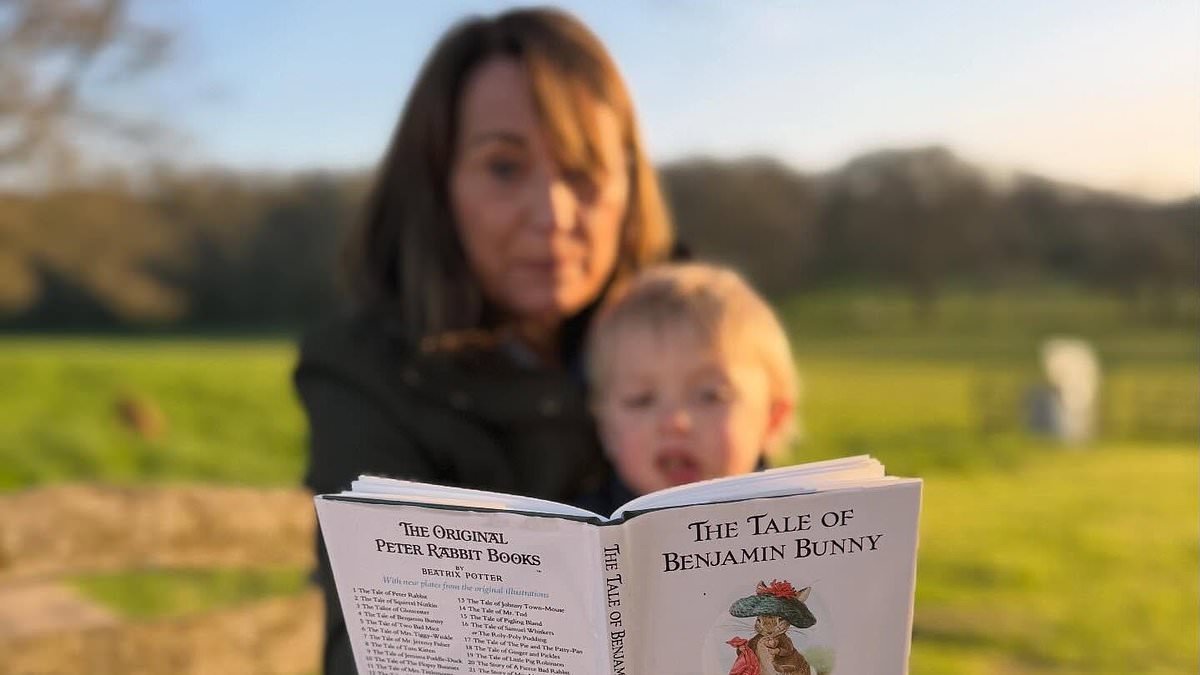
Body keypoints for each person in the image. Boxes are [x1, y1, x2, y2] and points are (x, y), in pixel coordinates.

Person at [293, 8, 673, 674]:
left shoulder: (694, 335)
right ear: (437, 187)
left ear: (630, 187)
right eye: (504, 167)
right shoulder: (363, 371)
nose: (552, 215)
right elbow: (366, 645)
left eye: (584, 171)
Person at [580, 262, 799, 510]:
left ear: (773, 418)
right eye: (641, 399)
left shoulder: (804, 527)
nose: (675, 422)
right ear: (606, 428)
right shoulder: (574, 533)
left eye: (710, 396)